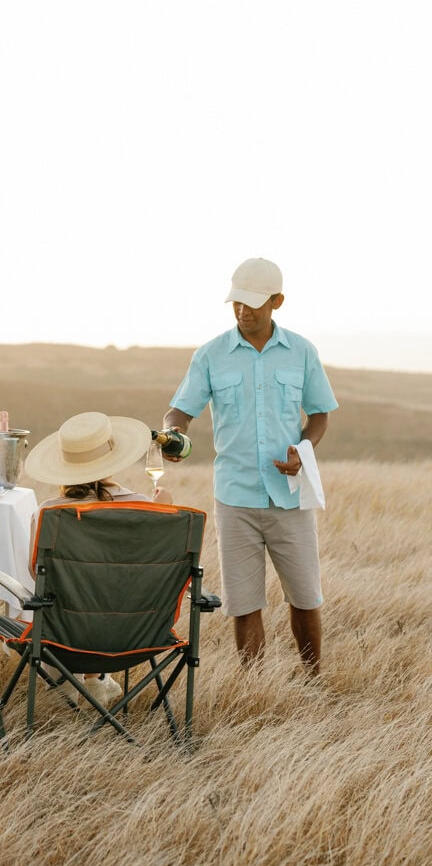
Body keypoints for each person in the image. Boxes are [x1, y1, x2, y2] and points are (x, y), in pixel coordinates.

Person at [162, 258, 338, 676]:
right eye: (237, 302)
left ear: (277, 301)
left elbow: (319, 415)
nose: (244, 311)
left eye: (254, 303)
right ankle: (255, 688)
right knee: (244, 603)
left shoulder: (302, 351)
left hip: (289, 497)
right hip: (234, 497)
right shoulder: (210, 354)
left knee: (306, 597)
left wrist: (303, 449)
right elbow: (179, 413)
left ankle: (314, 680)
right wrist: (172, 436)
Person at [24, 412, 173, 708]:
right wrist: (164, 509)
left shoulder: (47, 513)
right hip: (137, 633)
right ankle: (96, 680)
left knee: (48, 603)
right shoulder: (144, 507)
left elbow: (36, 572)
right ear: (112, 460)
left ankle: (67, 686)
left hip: (65, 635)